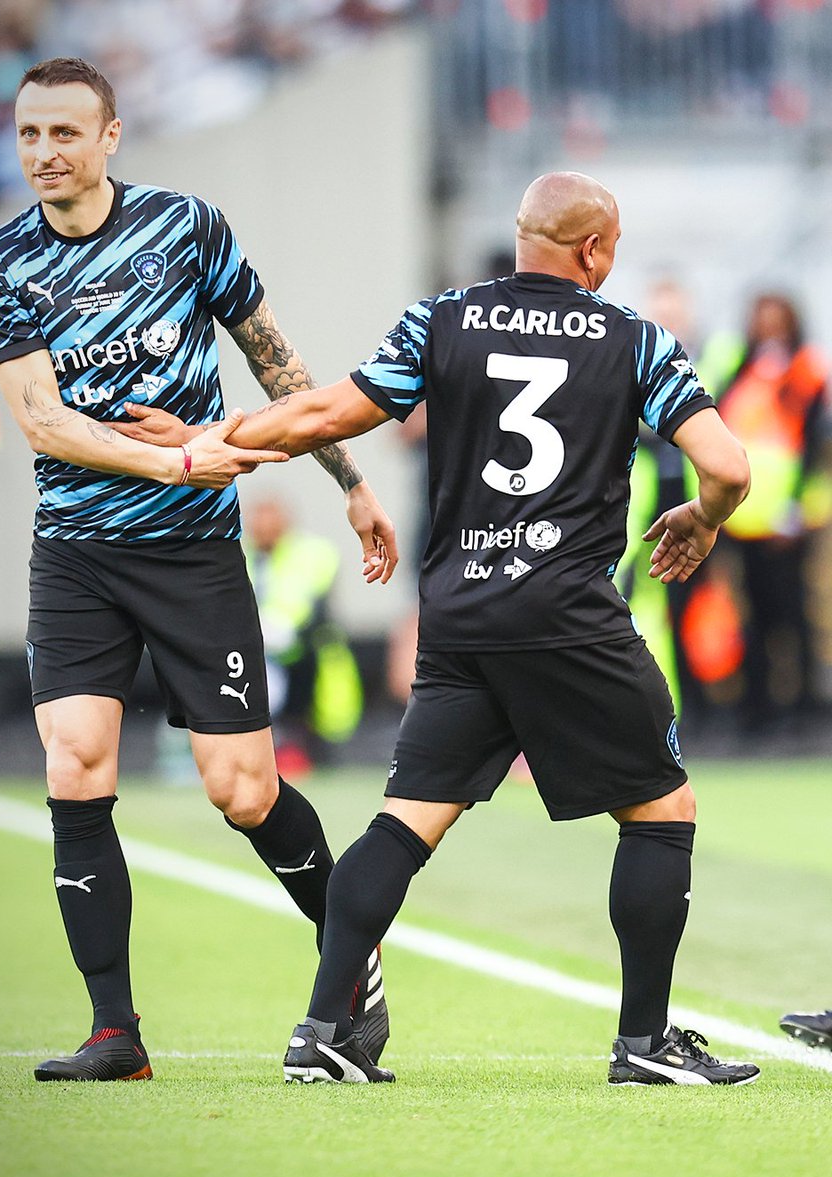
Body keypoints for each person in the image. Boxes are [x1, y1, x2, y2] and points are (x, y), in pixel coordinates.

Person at [129, 170, 759, 1086]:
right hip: (569, 615)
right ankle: (644, 1043)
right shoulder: (634, 339)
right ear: (592, 249)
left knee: (404, 822)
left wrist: (206, 440)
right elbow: (728, 467)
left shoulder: (442, 320)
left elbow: (321, 414)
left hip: (460, 616)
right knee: (663, 811)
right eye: (613, 248)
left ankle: (323, 1031)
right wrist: (703, 518)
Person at [0, 56, 396, 1082]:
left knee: (243, 790)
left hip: (194, 553)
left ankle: (350, 967)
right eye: (28, 134)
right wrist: (176, 456)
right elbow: (44, 421)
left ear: (110, 137)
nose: (43, 153)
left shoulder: (187, 227)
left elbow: (276, 360)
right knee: (75, 764)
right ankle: (114, 1032)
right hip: (76, 555)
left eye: (65, 133)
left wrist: (349, 480)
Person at [707, 292, 831, 732]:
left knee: (794, 613)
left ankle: (804, 705)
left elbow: (813, 441)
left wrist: (794, 505)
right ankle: (757, 705)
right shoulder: (739, 367)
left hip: (788, 518)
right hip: (744, 516)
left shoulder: (805, 368)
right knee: (750, 614)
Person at [243, 494, 363, 775]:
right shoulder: (243, 556)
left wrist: (278, 627)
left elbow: (307, 602)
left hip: (308, 655)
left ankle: (304, 750)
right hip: (260, 656)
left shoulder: (313, 553)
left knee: (319, 730)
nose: (263, 528)